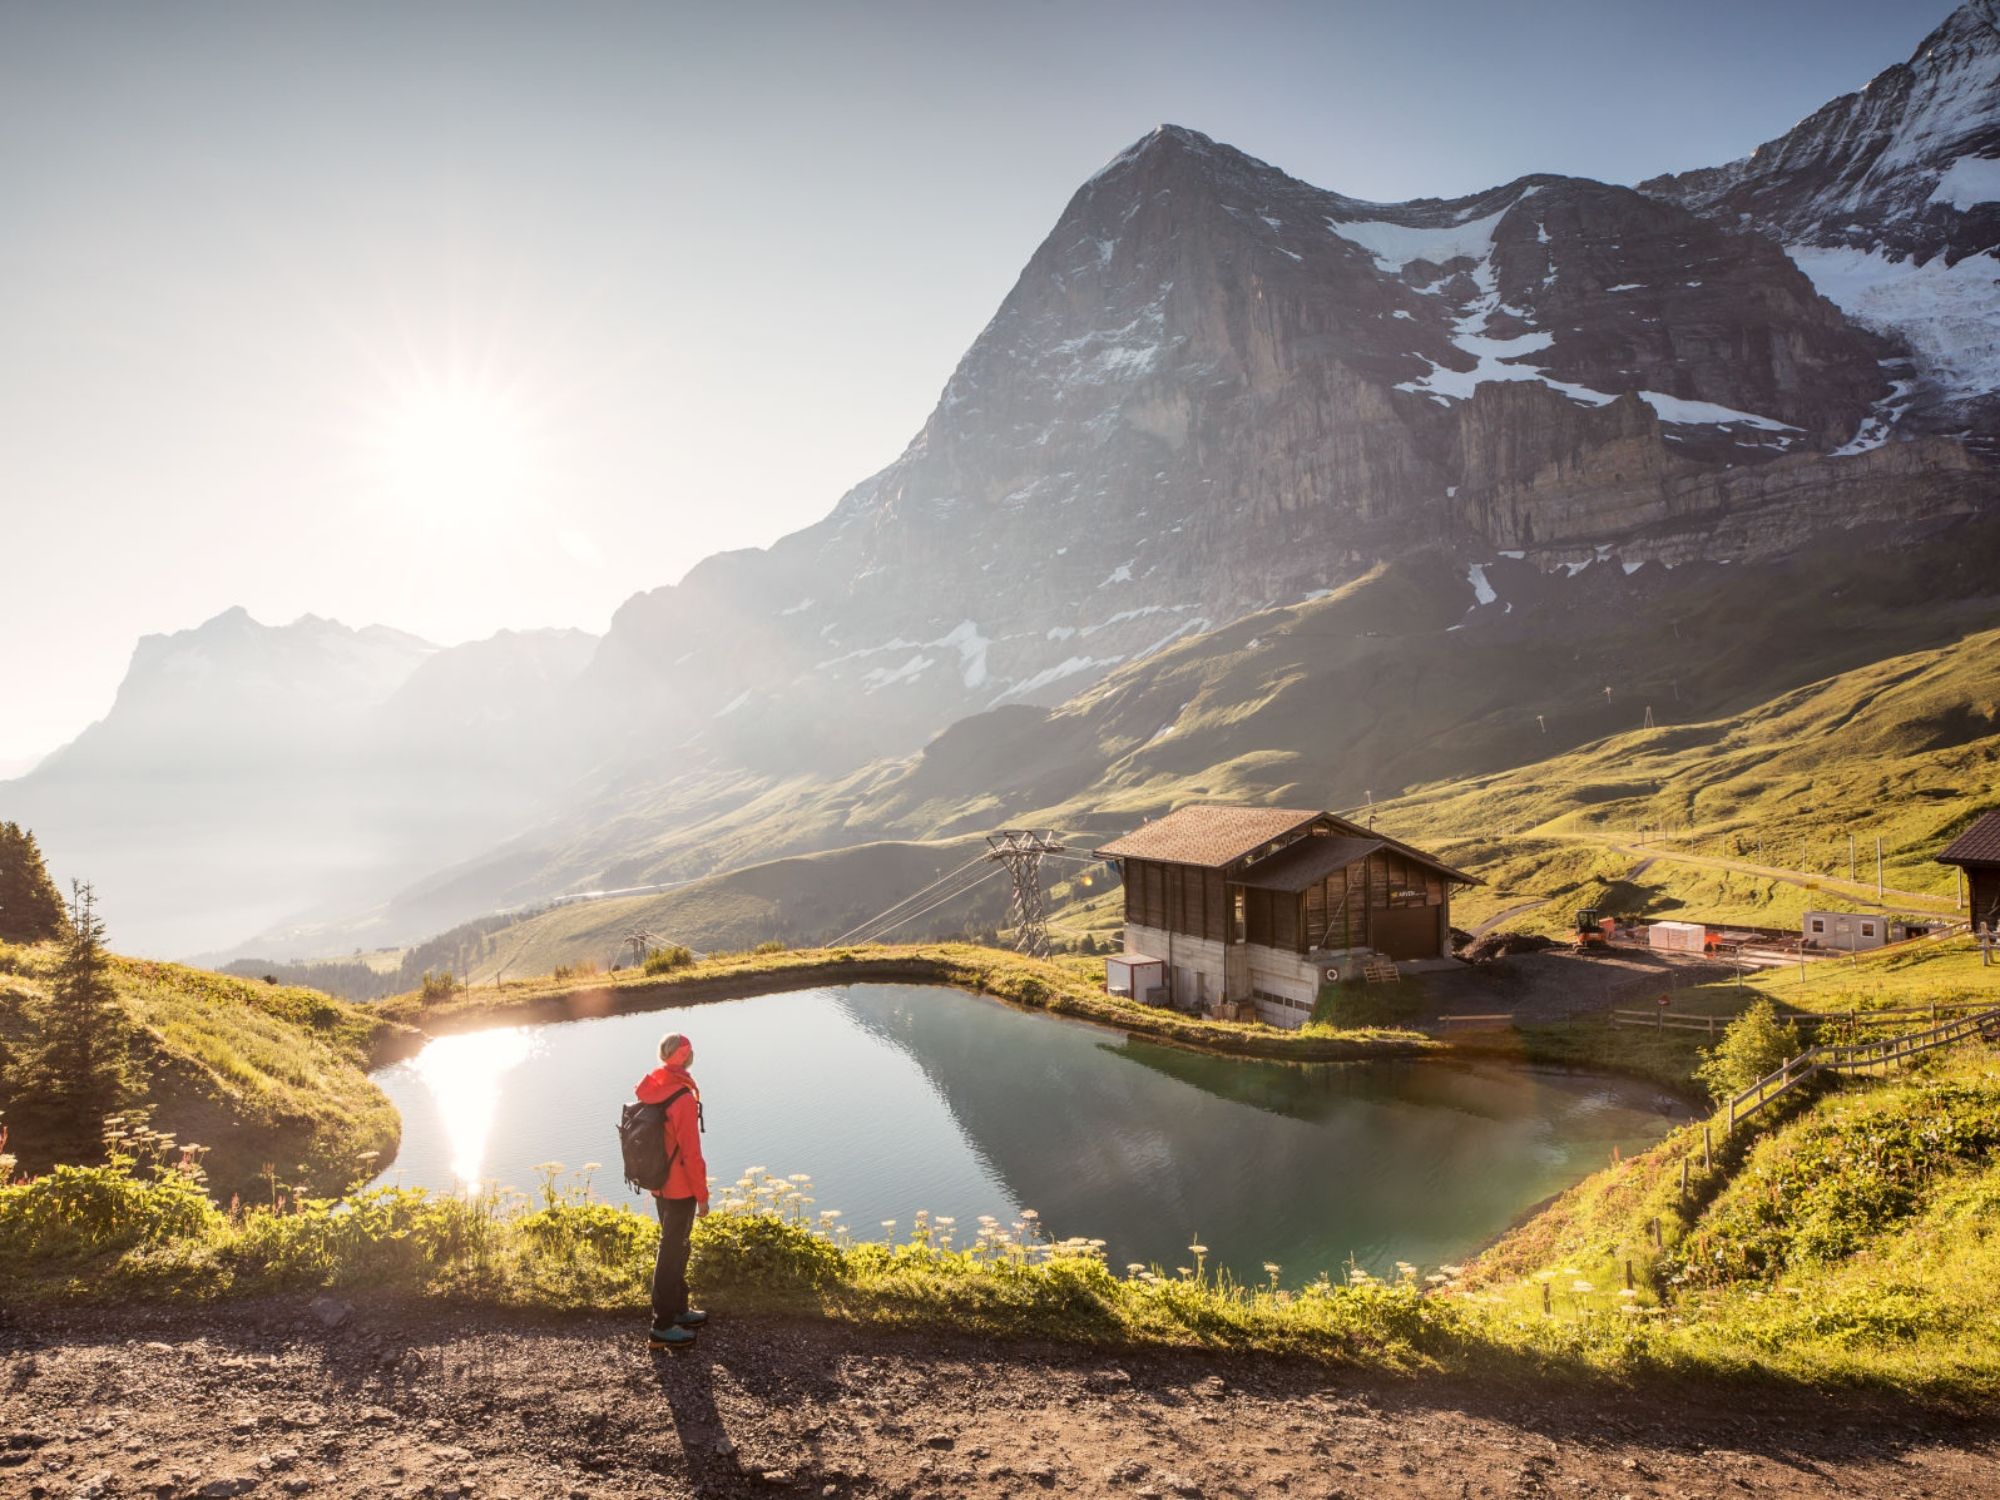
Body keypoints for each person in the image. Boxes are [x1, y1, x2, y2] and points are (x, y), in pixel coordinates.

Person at [634, 1030, 709, 1348]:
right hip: (679, 1188)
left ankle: (678, 1309)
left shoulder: (654, 1087)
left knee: (676, 1246)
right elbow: (691, 1155)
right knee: (671, 1251)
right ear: (685, 1058)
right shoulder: (681, 1099)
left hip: (659, 1184)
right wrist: (702, 1197)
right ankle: (661, 1326)